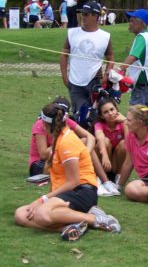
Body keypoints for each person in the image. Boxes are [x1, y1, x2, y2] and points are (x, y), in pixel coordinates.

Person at [15, 102, 121, 241]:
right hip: (67, 192)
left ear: (46, 125)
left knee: (42, 214)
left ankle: (96, 219)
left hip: (82, 191)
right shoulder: (59, 139)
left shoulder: (66, 142)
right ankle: (70, 227)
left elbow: (73, 182)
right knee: (21, 214)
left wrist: (43, 199)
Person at [28, 97, 120, 196]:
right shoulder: (40, 125)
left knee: (84, 143)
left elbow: (90, 137)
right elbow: (43, 154)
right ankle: (95, 181)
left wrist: (85, 153)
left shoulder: (66, 121)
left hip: (59, 158)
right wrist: (64, 143)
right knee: (81, 144)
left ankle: (104, 182)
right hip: (40, 165)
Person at [60, 0, 114, 116]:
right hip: (75, 83)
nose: (82, 17)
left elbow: (110, 56)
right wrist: (65, 77)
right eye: (82, 14)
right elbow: (64, 53)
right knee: (80, 116)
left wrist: (105, 77)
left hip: (94, 81)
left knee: (96, 115)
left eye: (86, 14)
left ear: (95, 16)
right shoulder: (72, 33)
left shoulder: (105, 36)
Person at [118, 9, 148, 106]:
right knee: (143, 118)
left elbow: (133, 57)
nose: (130, 23)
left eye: (133, 21)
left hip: (142, 89)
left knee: (135, 119)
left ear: (142, 24)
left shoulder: (141, 37)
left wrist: (119, 69)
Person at [94, 98, 128, 183]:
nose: (110, 113)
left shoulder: (123, 123)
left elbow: (129, 140)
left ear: (116, 109)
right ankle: (100, 175)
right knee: (104, 141)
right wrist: (105, 155)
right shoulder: (99, 124)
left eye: (112, 109)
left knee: (124, 144)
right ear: (101, 116)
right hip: (104, 159)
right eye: (105, 112)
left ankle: (118, 176)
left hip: (116, 161)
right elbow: (100, 137)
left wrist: (125, 121)